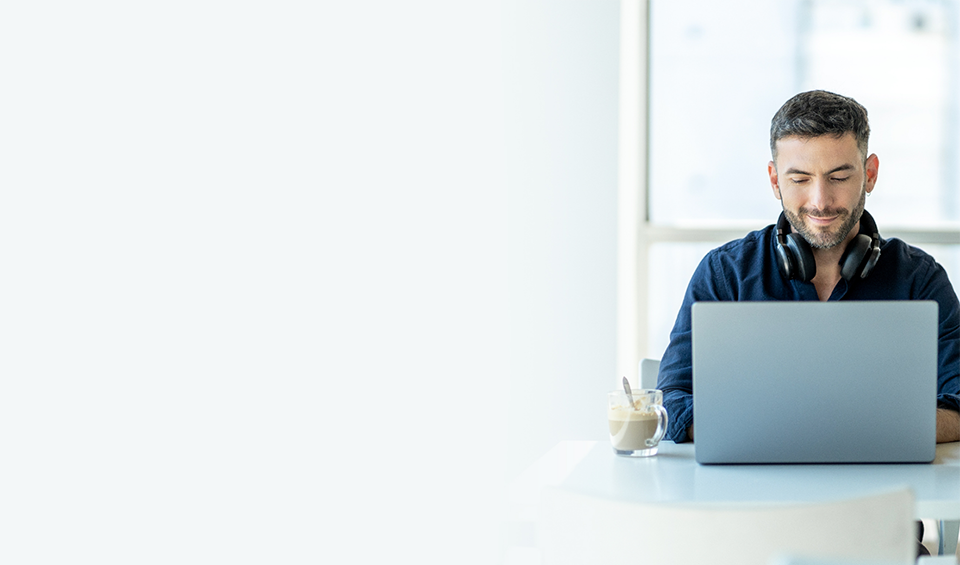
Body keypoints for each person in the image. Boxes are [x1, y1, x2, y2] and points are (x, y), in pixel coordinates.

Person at [656, 90, 960, 447]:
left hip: (882, 491)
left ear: (870, 174)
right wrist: (788, 431)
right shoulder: (726, 273)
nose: (820, 201)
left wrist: (842, 433)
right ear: (775, 181)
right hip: (754, 492)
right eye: (800, 179)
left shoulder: (919, 279)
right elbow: (671, 402)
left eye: (839, 177)